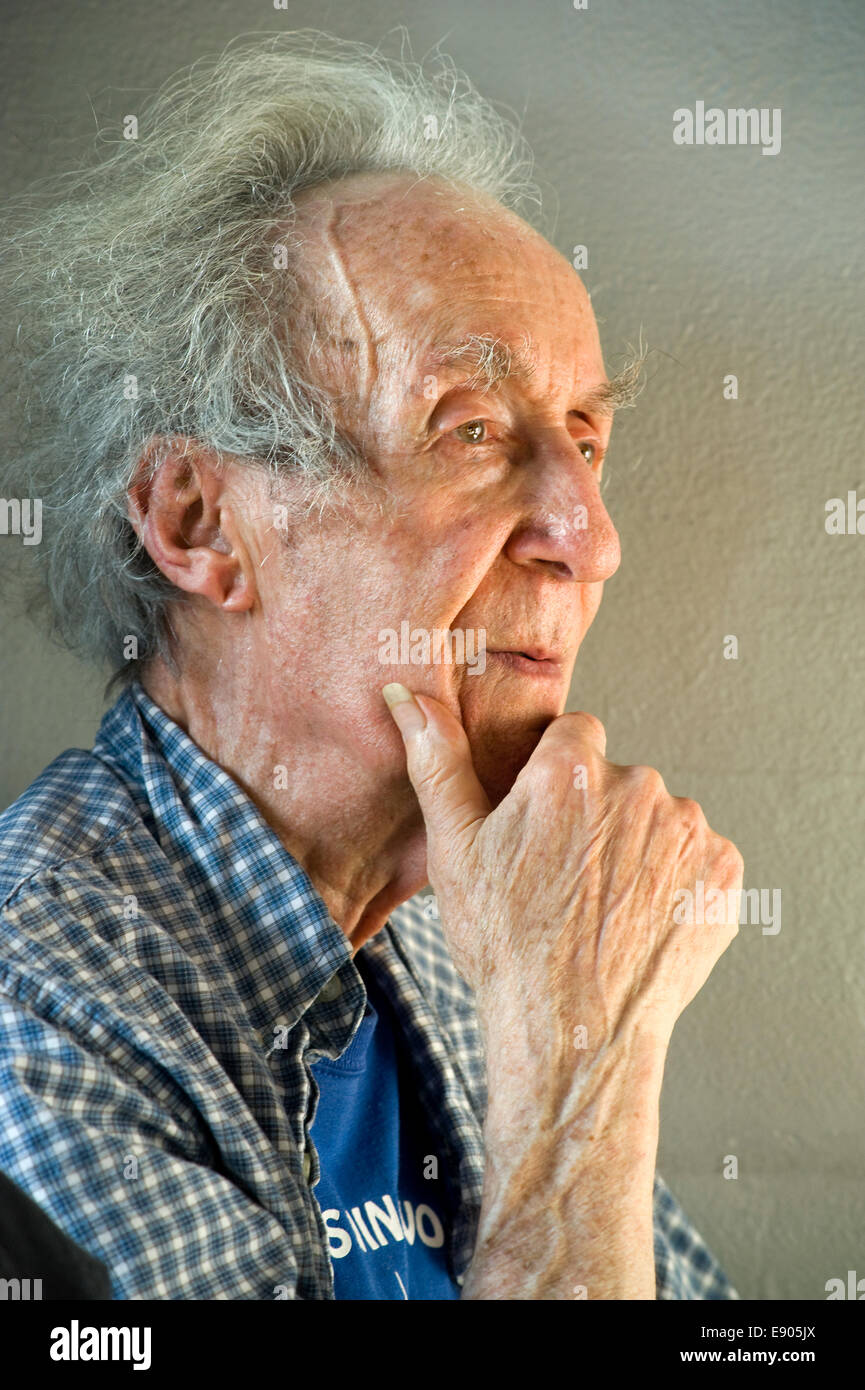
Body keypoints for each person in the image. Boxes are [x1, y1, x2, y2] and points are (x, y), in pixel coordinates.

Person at [0, 32, 743, 1300]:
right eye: (470, 430)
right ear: (197, 524)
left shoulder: (476, 941)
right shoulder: (43, 1005)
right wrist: (582, 1087)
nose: (593, 540)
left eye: (583, 440)